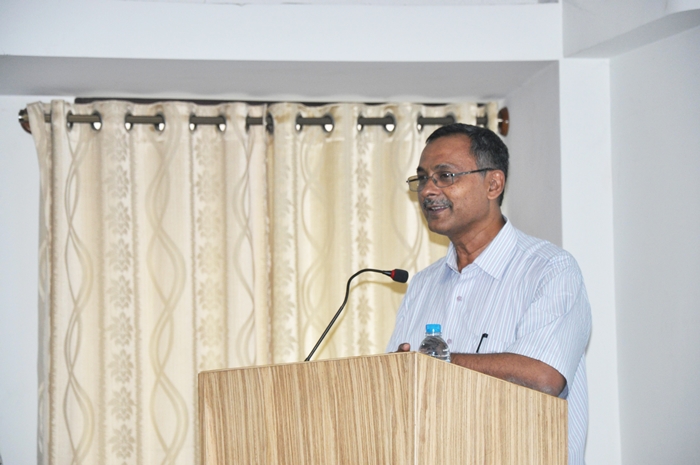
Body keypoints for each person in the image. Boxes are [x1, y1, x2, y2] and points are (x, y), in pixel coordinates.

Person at [387, 123, 592, 464]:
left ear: (493, 184)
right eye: (422, 178)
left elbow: (543, 377)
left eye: (445, 176)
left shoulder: (550, 269)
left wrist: (435, 363)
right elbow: (400, 386)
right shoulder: (422, 285)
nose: (428, 190)